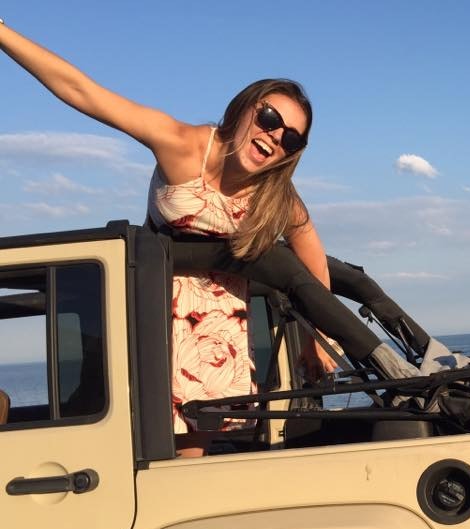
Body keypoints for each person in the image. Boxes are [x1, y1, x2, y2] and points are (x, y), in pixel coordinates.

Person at [1, 19, 418, 457]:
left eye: (291, 138)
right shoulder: (183, 146)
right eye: (270, 118)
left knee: (189, 459)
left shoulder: (273, 193)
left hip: (216, 328)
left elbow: (309, 246)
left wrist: (319, 338)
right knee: (118, 445)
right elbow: (81, 90)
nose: (275, 136)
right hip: (150, 308)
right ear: (244, 109)